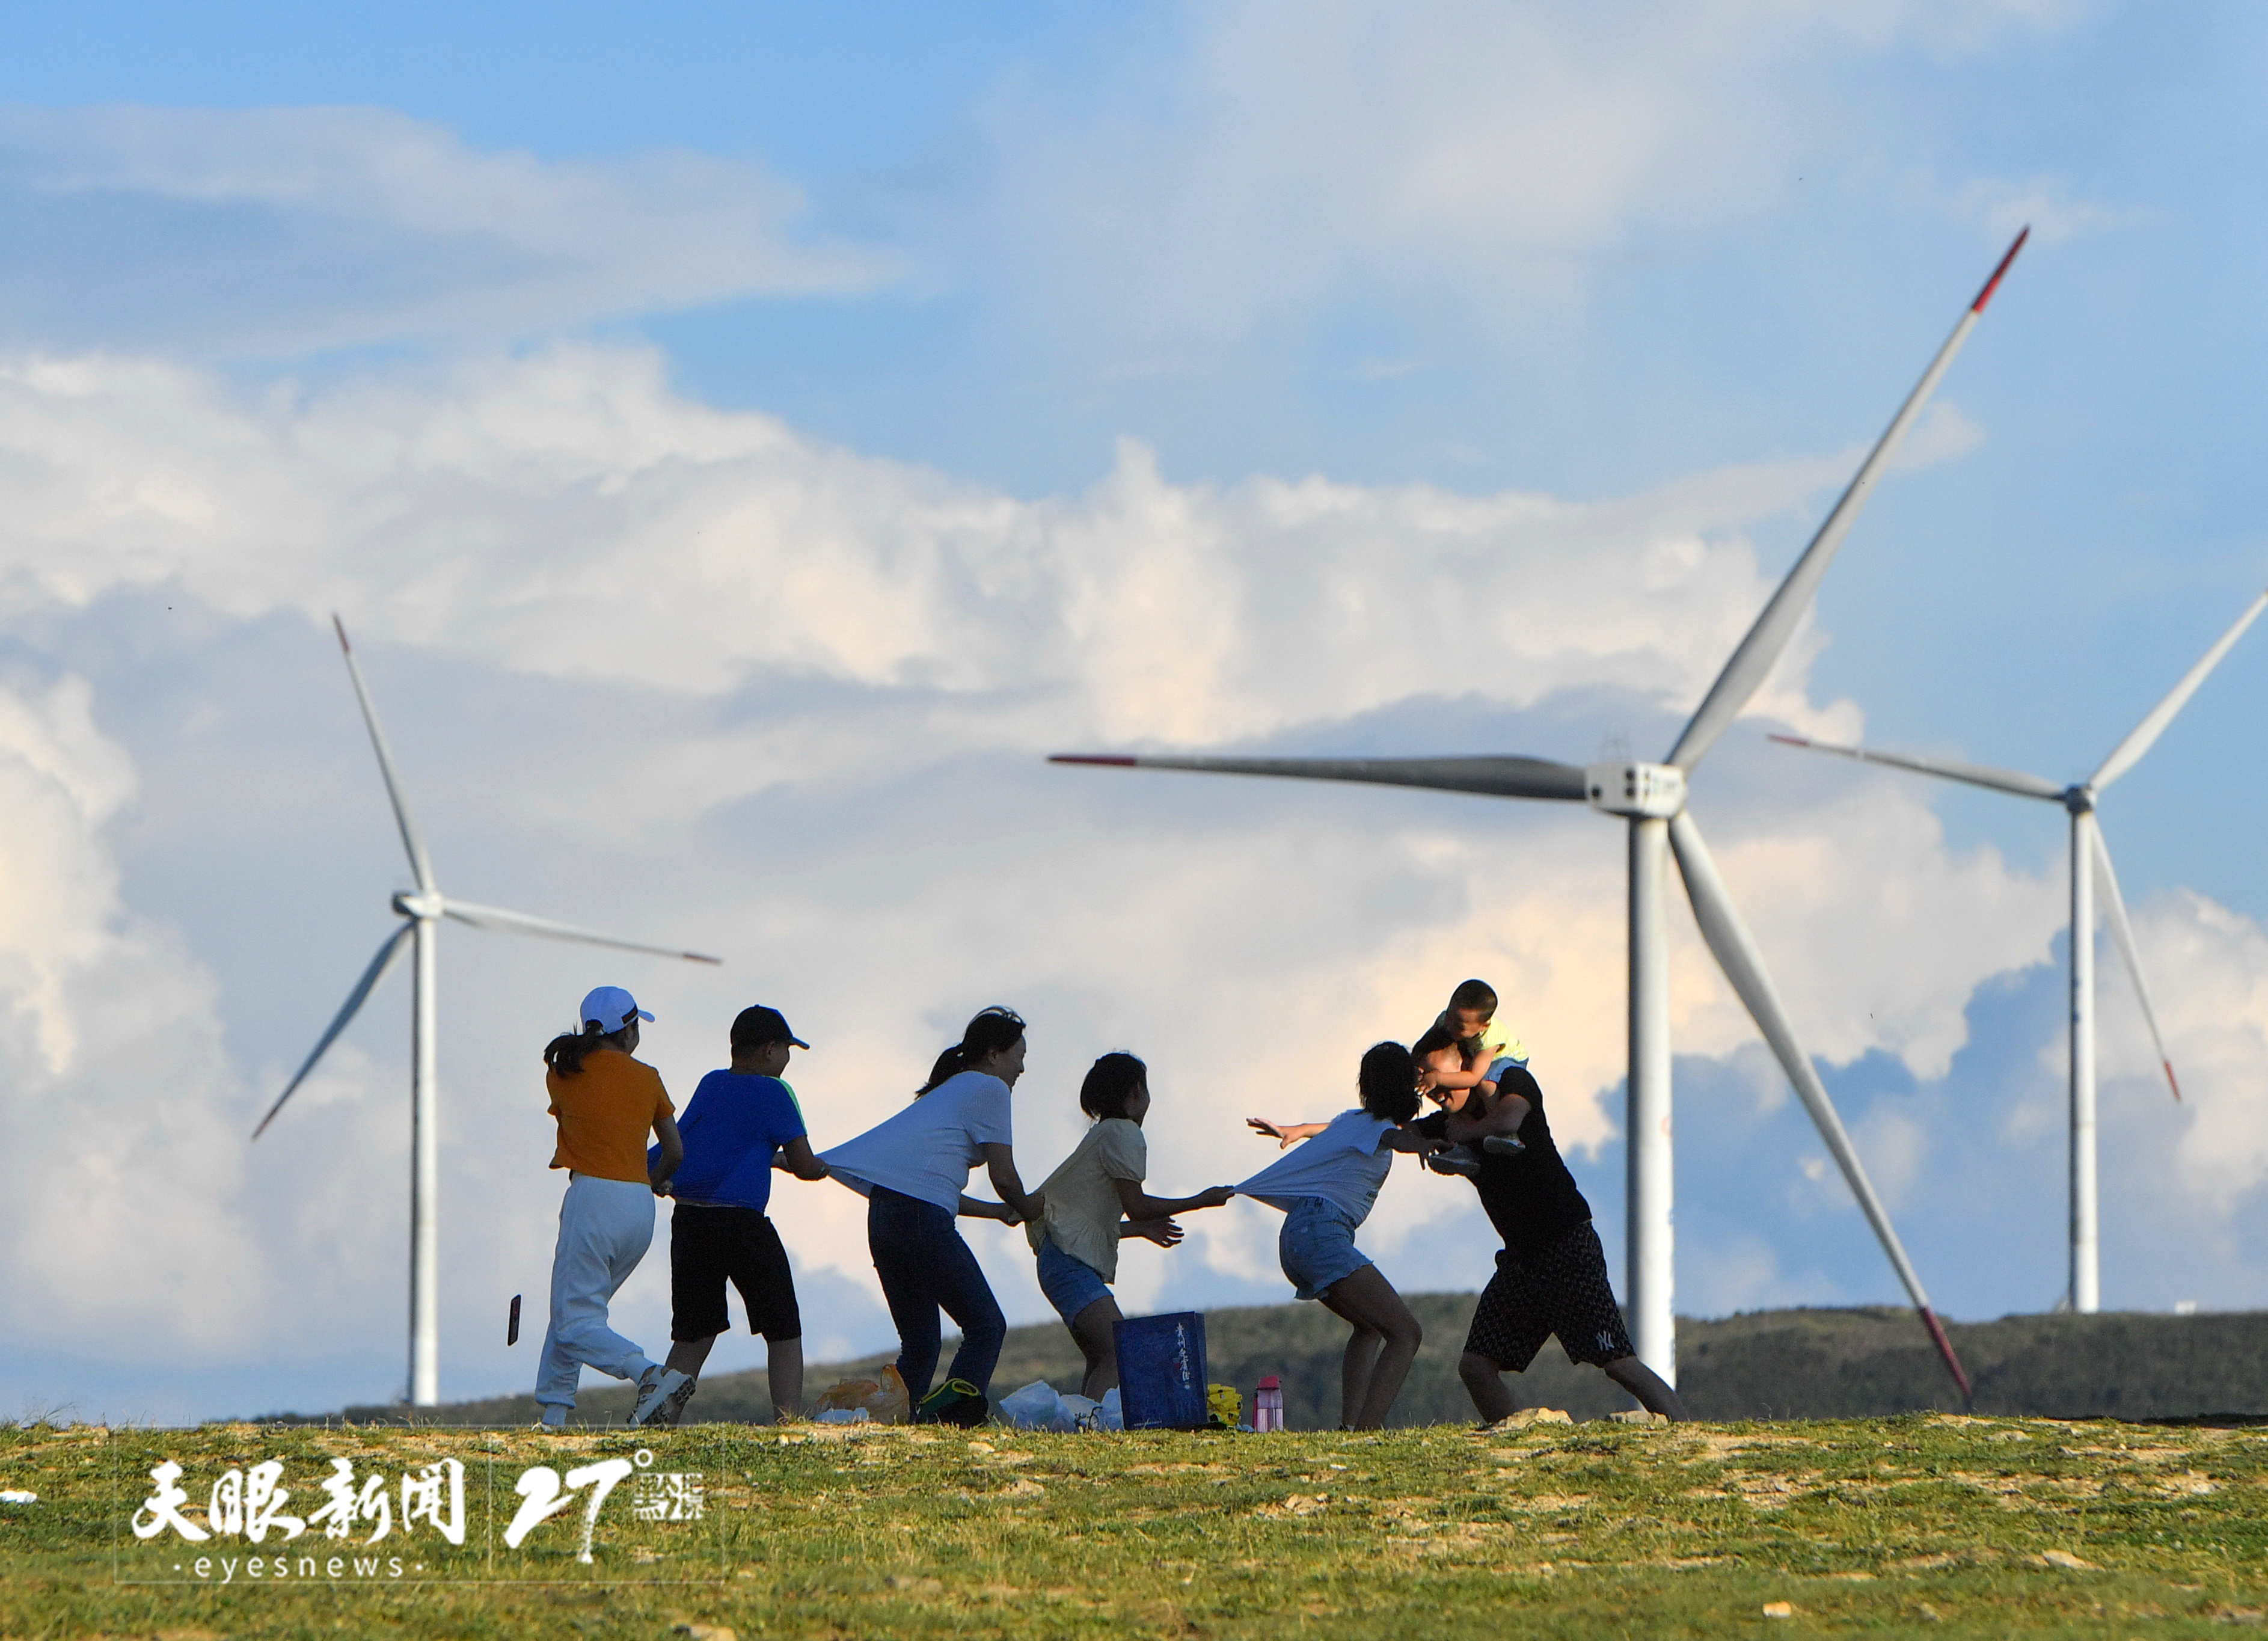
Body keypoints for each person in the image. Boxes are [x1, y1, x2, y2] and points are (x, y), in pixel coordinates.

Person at [1416, 1058, 1688, 1424]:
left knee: (1617, 1362)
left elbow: (1509, 1120)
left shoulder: (1514, 1083)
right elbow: (1391, 1132)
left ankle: (1686, 1431)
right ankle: (1513, 1446)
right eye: (1426, 1081)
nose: (1435, 1086)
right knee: (1476, 1366)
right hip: (1521, 1259)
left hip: (1567, 1246)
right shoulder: (1446, 1123)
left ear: (1468, 1067)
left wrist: (1458, 1137)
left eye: (1441, 1074)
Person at [820, 1006, 1037, 1425]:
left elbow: (929, 1184)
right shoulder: (989, 1089)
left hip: (884, 1218)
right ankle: (949, 1422)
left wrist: (996, 1213)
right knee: (986, 1326)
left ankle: (890, 1421)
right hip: (920, 1220)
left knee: (920, 1344)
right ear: (994, 1054)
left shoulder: (949, 1090)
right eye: (1019, 1056)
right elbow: (1005, 1178)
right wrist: (1031, 1209)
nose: (1022, 1068)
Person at [1242, 1041, 1445, 1429]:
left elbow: (1323, 1129)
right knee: (1406, 1333)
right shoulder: (1381, 1129)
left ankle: (1351, 1427)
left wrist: (1293, 1130)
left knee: (1369, 1328)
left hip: (1296, 1238)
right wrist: (1422, 1144)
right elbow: (1394, 1140)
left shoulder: (1352, 1120)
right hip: (1322, 1232)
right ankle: (1369, 1429)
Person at [649, 1004, 829, 1425]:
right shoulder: (775, 1092)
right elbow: (806, 1165)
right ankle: (789, 1422)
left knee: (693, 1331)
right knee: (783, 1326)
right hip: (743, 1225)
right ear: (769, 1050)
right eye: (787, 1049)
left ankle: (660, 1419)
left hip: (691, 1221)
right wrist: (823, 1167)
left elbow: (713, 1141)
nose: (787, 1060)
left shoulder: (712, 1083)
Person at [1026, 1052, 1237, 1399]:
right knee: (1120, 1351)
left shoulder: (1103, 1133)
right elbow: (1137, 1206)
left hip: (1058, 1262)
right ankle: (1088, 1431)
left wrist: (1140, 1229)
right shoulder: (1124, 1133)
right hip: (1069, 1264)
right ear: (1136, 1092)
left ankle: (1084, 1426)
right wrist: (1200, 1200)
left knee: (1102, 1356)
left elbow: (1086, 1222)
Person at [534, 985, 695, 1430]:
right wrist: (656, 1178)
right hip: (640, 1206)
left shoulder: (562, 1072)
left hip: (593, 1200)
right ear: (627, 1031)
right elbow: (675, 1151)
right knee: (575, 1313)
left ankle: (649, 1374)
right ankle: (554, 1415)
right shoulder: (649, 1076)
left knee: (575, 1319)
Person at [1416, 980, 1528, 1173]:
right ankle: (1463, 1150)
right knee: (1462, 1099)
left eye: (1459, 1027)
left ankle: (1506, 1135)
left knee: (1486, 1085)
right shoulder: (1446, 1021)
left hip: (1507, 1059)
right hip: (1474, 1057)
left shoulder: (1489, 1039)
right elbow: (1426, 1046)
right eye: (1449, 1016)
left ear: (1483, 1026)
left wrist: (1438, 1078)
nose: (1450, 1027)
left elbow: (1474, 1077)